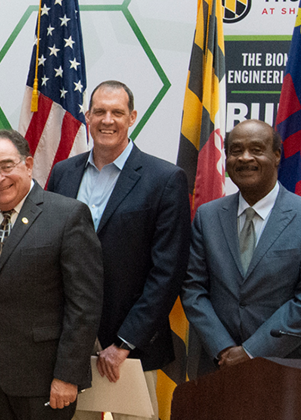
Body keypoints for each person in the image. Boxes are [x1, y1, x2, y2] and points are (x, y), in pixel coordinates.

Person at [44, 81, 190, 419]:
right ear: (87, 116)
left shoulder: (165, 179)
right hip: (69, 348)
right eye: (99, 111)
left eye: (117, 112)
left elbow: (167, 273)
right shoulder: (64, 173)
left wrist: (125, 343)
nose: (107, 120)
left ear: (133, 117)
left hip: (132, 349)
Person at [0, 130, 102, 420]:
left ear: (29, 164)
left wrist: (67, 376)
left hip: (44, 381)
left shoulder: (68, 215)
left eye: (7, 166)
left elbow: (84, 306)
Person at [181, 119, 301, 377]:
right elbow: (192, 288)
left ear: (276, 156)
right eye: (236, 150)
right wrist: (223, 348)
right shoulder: (207, 216)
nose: (244, 158)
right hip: (216, 365)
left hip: (286, 366)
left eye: (256, 149)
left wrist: (251, 351)